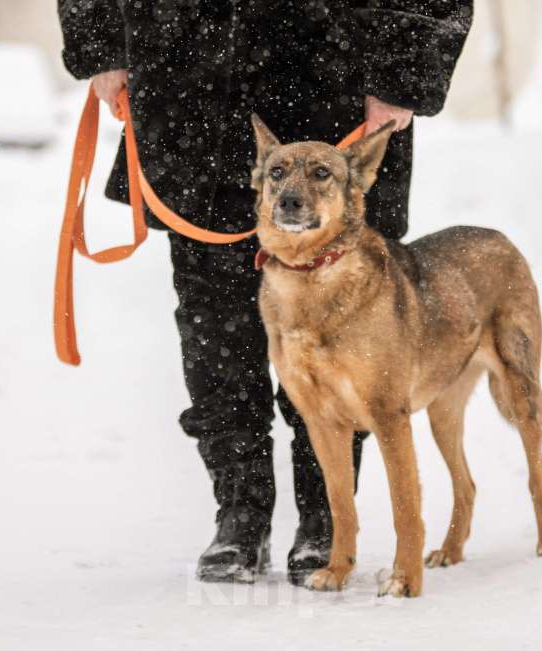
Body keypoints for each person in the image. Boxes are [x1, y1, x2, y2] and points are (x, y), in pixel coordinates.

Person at [57, 0, 473, 585]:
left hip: (333, 80)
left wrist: (403, 72)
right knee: (212, 327)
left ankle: (327, 523)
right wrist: (102, 44)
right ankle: (240, 516)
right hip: (188, 82)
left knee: (348, 332)